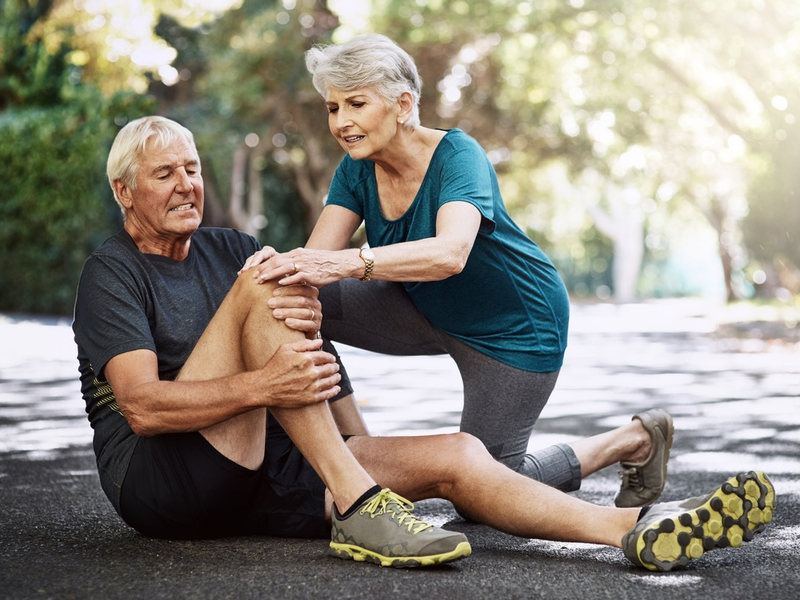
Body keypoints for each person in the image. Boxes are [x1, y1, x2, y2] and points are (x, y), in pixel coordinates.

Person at [72, 115, 775, 573]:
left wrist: (364, 453)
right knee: (270, 276)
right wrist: (266, 390)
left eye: (192, 168)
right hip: (166, 484)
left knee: (460, 457)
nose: (187, 184)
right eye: (165, 174)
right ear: (124, 191)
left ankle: (629, 529)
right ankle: (358, 506)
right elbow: (142, 409)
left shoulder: (226, 245)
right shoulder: (114, 272)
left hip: (270, 470)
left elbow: (312, 349)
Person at [244, 34, 669, 508]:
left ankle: (632, 439)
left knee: (484, 494)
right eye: (332, 108)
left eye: (356, 104)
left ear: (403, 104)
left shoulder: (458, 156)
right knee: (291, 302)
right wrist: (284, 266)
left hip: (514, 329)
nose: (342, 122)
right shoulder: (356, 169)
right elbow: (313, 267)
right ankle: (356, 458)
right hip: (423, 308)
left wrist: (341, 263)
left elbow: (450, 254)